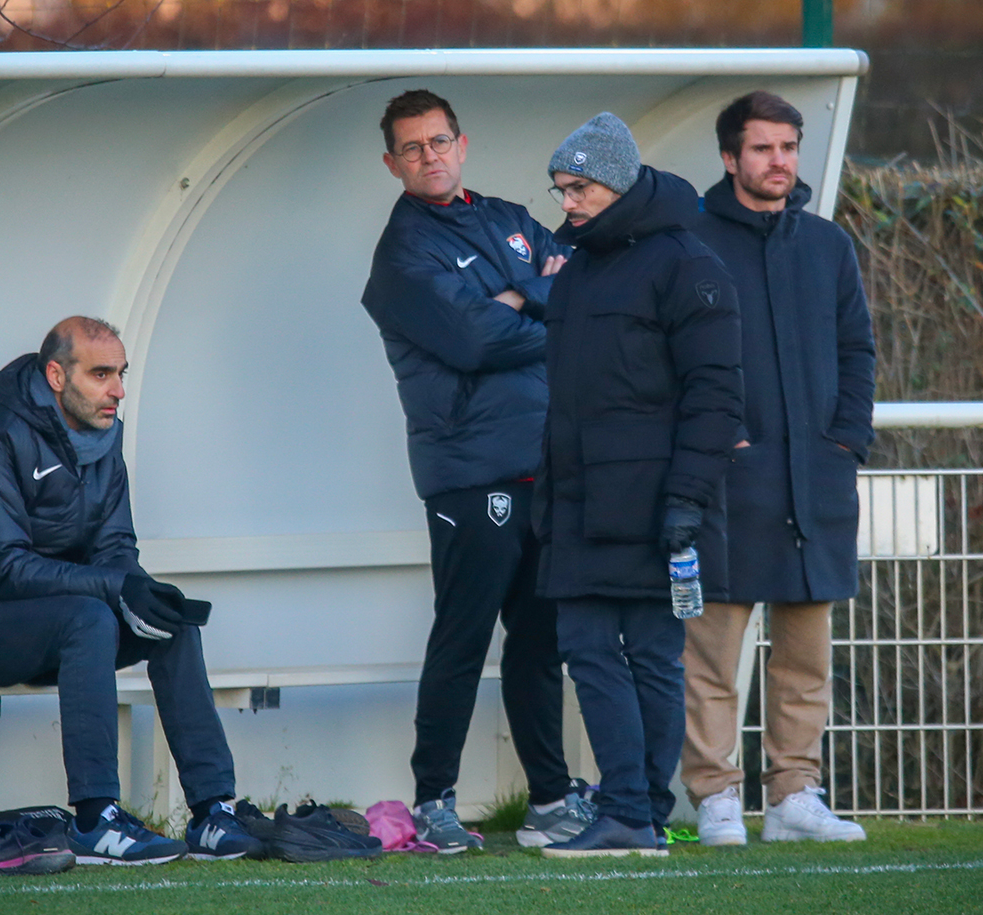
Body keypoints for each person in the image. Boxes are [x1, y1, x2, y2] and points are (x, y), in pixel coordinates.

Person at [0, 316, 263, 865]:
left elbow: (116, 545)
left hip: (52, 624)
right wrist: (116, 587)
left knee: (171, 621)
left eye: (120, 374)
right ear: (55, 374)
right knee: (90, 617)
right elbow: (4, 568)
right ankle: (96, 820)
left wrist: (143, 592)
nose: (117, 389)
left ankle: (214, 811)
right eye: (101, 374)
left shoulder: (101, 434)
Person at [360, 89, 585, 853]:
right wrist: (535, 305)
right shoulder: (401, 255)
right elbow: (471, 340)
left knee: (538, 639)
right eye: (413, 148)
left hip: (544, 464)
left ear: (464, 142)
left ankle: (551, 799)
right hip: (469, 471)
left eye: (440, 141)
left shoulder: (509, 218)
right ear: (392, 163)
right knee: (461, 636)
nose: (430, 156)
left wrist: (518, 297)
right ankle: (433, 800)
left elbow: (574, 291)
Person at [534, 113, 742, 856]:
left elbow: (716, 392)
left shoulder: (687, 263)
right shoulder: (581, 266)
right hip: (579, 502)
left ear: (619, 183)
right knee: (588, 647)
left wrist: (687, 498)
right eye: (560, 190)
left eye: (580, 187)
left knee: (650, 654)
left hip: (656, 505)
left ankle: (635, 808)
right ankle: (635, 809)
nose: (568, 203)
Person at [681, 91, 875, 845]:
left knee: (805, 654)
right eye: (763, 149)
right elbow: (674, 359)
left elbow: (857, 349)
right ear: (730, 157)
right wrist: (722, 442)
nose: (780, 162)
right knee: (711, 654)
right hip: (726, 484)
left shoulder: (828, 244)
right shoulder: (691, 241)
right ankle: (716, 796)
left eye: (788, 147)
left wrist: (845, 440)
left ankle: (795, 794)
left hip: (817, 479)